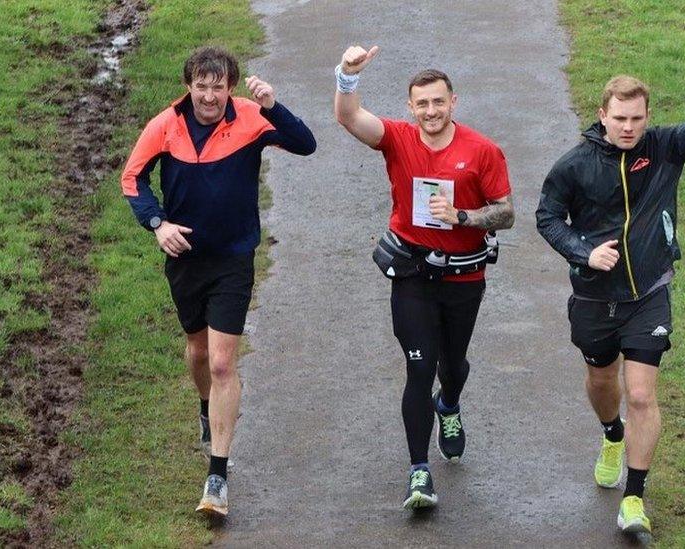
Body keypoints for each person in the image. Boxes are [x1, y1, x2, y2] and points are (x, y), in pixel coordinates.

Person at [536, 39, 685, 536]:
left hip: (648, 293)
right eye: (620, 118)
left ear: (646, 117)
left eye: (637, 119)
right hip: (595, 298)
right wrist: (584, 252)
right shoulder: (573, 165)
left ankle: (634, 498)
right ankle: (611, 433)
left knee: (642, 394)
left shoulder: (665, 148)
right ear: (603, 114)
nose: (628, 128)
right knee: (603, 382)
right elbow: (547, 218)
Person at [120, 46, 316, 517]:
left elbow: (306, 143)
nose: (209, 96)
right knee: (199, 352)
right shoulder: (165, 124)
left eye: (219, 87)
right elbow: (132, 178)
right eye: (201, 86)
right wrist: (157, 224)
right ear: (189, 86)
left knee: (224, 362)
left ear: (231, 86)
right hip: (186, 258)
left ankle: (217, 477)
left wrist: (273, 106)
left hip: (233, 258)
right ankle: (205, 407)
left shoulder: (251, 118)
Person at [334, 45, 514, 510]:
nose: (431, 111)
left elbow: (507, 213)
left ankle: (449, 404)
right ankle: (419, 472)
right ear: (410, 107)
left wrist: (462, 217)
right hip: (412, 272)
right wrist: (347, 75)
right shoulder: (397, 138)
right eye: (422, 104)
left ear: (453, 103)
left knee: (451, 366)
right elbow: (349, 118)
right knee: (418, 366)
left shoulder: (482, 150)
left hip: (463, 277)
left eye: (439, 102)